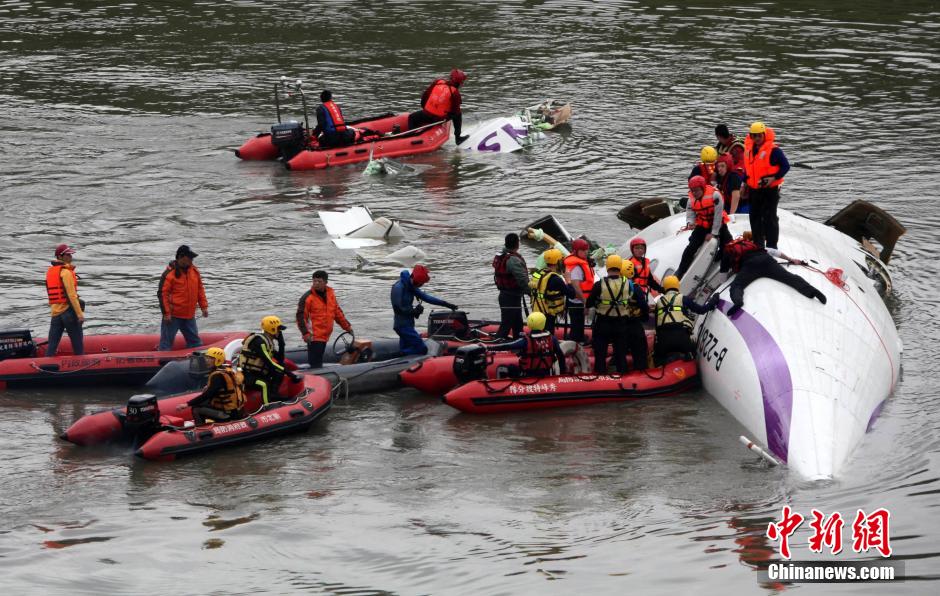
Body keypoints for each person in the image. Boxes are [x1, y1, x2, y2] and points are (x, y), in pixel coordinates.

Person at [721, 231, 827, 316]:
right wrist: (791, 259)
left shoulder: (728, 250)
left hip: (750, 266)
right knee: (789, 277)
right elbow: (774, 252)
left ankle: (738, 301)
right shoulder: (751, 244)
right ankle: (812, 291)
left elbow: (723, 274)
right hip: (766, 260)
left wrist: (724, 281)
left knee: (736, 286)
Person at [586, 255, 648, 374]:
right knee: (620, 353)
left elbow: (589, 303)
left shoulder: (599, 284)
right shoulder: (629, 285)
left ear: (608, 266)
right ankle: (622, 376)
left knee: (600, 353)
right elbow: (637, 302)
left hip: (603, 323)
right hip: (621, 324)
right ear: (620, 267)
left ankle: (601, 376)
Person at [675, 176, 733, 280]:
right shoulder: (691, 199)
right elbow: (690, 212)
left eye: (697, 190)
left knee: (729, 245)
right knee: (691, 247)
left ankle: (723, 260)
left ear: (703, 188)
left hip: (719, 224)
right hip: (702, 225)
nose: (695, 193)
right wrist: (690, 223)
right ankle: (681, 270)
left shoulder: (715, 195)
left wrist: (714, 233)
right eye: (693, 191)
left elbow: (718, 215)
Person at [391, 265, 457, 355]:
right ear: (416, 280)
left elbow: (427, 298)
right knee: (422, 349)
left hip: (409, 324)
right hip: (402, 326)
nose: (420, 286)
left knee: (406, 348)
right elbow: (397, 308)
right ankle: (397, 356)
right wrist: (414, 311)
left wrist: (447, 304)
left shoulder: (411, 286)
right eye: (420, 284)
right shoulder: (398, 288)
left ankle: (402, 360)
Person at [743, 121, 790, 249]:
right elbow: (747, 169)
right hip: (754, 189)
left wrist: (773, 178)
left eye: (759, 135)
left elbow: (786, 166)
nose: (757, 138)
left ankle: (772, 245)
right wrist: (744, 183)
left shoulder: (774, 151)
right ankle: (758, 244)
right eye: (754, 136)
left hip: (770, 190)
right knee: (754, 216)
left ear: (764, 135)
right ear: (751, 136)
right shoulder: (749, 149)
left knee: (770, 218)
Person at [295, 270, 353, 369]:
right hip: (314, 336)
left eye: (319, 281)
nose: (316, 284)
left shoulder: (331, 295)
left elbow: (337, 313)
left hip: (325, 335)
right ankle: (315, 378)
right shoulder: (307, 298)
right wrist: (305, 333)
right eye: (314, 281)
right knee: (315, 363)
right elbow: (300, 317)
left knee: (318, 361)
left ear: (325, 282)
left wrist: (347, 327)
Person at [653, 275, 715, 364]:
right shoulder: (683, 298)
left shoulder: (659, 302)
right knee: (692, 354)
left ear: (665, 287)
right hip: (681, 338)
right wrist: (713, 300)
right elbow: (701, 310)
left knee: (657, 359)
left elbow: (656, 325)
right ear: (677, 286)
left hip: (663, 340)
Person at [238, 315, 299, 405]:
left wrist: (281, 343)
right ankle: (268, 406)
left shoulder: (268, 341)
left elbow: (280, 359)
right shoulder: (259, 342)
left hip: (258, 373)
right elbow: (269, 362)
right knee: (264, 385)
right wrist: (291, 374)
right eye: (279, 329)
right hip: (248, 375)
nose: (280, 332)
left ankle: (274, 394)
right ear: (272, 329)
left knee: (281, 367)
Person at [158, 245, 208, 351]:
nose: (191, 260)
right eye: (189, 257)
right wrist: (166, 314)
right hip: (172, 317)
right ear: (181, 257)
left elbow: (200, 290)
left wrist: (204, 307)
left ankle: (194, 364)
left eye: (192, 258)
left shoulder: (194, 271)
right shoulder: (169, 274)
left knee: (196, 343)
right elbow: (162, 294)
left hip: (189, 315)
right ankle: (161, 364)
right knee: (166, 345)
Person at [184, 347, 245, 425]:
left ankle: (202, 431)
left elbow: (207, 395)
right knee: (205, 403)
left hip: (227, 414)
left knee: (196, 409)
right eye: (206, 358)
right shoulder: (226, 370)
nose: (206, 360)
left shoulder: (218, 376)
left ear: (218, 360)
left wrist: (187, 404)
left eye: (210, 358)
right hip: (235, 410)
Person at [495, 312, 567, 378]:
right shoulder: (552, 339)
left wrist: (488, 348)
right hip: (546, 374)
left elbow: (507, 346)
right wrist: (563, 375)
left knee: (502, 368)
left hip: (527, 376)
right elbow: (561, 357)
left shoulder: (525, 340)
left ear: (529, 324)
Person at [407, 69, 468, 145]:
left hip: (426, 114)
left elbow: (424, 97)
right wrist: (447, 116)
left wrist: (425, 109)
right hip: (439, 118)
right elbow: (455, 112)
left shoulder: (437, 82)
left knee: (411, 118)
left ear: (450, 77)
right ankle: (458, 138)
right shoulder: (455, 93)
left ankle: (411, 136)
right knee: (458, 114)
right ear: (460, 83)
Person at [45, 243, 84, 357]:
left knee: (51, 347)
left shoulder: (49, 272)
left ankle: (46, 368)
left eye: (71, 255)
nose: (71, 257)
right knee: (78, 346)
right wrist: (79, 314)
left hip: (55, 313)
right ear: (60, 257)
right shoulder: (66, 272)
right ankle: (81, 369)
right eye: (68, 255)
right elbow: (72, 295)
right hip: (69, 313)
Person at [492, 232, 530, 339]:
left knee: (518, 323)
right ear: (517, 244)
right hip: (510, 297)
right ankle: (496, 345)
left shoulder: (502, 255)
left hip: (508, 295)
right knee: (506, 324)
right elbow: (522, 281)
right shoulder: (513, 260)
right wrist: (532, 293)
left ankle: (518, 343)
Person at [529, 248, 572, 335]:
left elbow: (531, 287)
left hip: (536, 311)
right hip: (548, 313)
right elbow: (571, 294)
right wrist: (568, 280)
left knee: (536, 334)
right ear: (558, 262)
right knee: (548, 335)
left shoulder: (538, 273)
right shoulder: (555, 279)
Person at [562, 238, 594, 343]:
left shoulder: (582, 263)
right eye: (583, 250)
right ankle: (576, 341)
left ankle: (578, 336)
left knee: (579, 323)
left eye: (587, 250)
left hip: (580, 300)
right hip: (577, 301)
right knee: (577, 323)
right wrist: (586, 303)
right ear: (576, 251)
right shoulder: (576, 267)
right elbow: (576, 287)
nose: (586, 252)